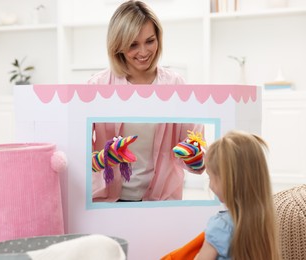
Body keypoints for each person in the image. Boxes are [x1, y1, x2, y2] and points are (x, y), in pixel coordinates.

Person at [88, 0, 205, 202]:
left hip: (161, 199)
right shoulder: (97, 86)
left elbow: (196, 151)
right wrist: (102, 159)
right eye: (133, 44)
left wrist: (195, 157)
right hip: (108, 199)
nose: (143, 52)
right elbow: (80, 160)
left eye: (150, 41)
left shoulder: (176, 84)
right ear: (118, 46)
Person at [195, 130, 281, 260]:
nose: (210, 185)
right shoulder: (265, 220)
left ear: (228, 181)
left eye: (210, 177)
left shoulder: (221, 226)